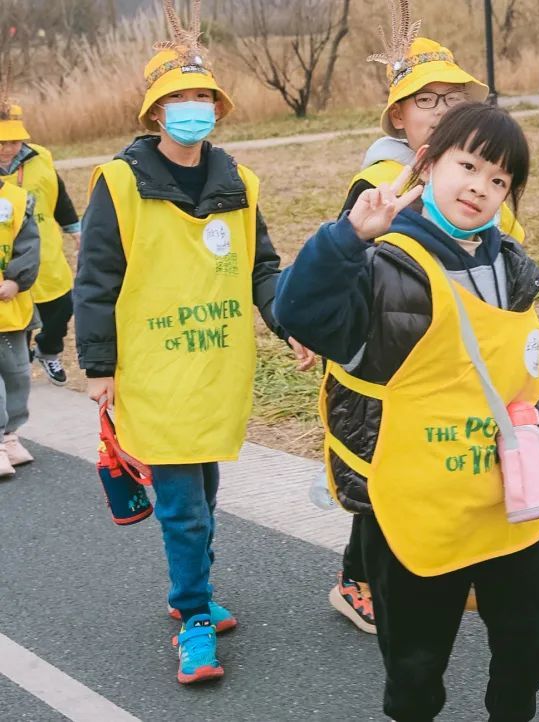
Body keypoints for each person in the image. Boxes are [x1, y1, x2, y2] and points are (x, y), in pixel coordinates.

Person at [276, 102, 539, 721]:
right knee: (415, 667)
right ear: (427, 164)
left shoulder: (510, 267)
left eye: (500, 180)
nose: (480, 187)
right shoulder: (383, 263)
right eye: (469, 165)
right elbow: (297, 311)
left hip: (502, 499)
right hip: (413, 511)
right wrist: (347, 237)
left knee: (531, 639)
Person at [327, 25, 539, 657]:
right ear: (399, 115)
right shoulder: (380, 181)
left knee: (506, 469)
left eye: (453, 98)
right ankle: (364, 579)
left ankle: (536, 601)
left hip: (484, 369)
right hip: (402, 375)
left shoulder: (485, 173)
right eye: (427, 100)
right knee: (390, 489)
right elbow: (349, 281)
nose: (442, 110)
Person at [73, 1, 313, 685]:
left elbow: (261, 267)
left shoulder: (239, 182)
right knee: (181, 504)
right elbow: (96, 279)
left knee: (204, 495)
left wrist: (287, 320)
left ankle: (198, 592)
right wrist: (97, 366)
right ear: (153, 114)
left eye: (201, 95)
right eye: (177, 97)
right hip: (154, 374)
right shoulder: (118, 184)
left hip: (217, 372)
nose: (192, 106)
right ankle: (193, 618)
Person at [0, 103, 80, 385]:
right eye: (1, 142)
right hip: (9, 262)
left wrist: (75, 230)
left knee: (61, 309)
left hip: (47, 255)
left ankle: (48, 352)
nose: (8, 148)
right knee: (17, 321)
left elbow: (59, 197)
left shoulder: (40, 157)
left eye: (14, 140)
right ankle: (17, 372)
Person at [0, 99, 40, 477]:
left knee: (16, 371)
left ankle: (11, 433)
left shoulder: (15, 199)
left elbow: (29, 244)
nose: (8, 150)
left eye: (13, 143)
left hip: (10, 307)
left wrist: (16, 278)